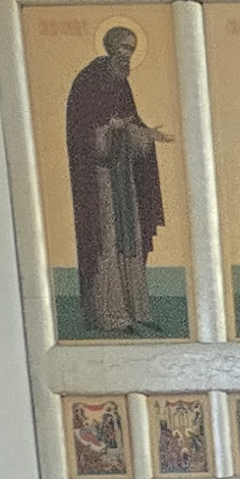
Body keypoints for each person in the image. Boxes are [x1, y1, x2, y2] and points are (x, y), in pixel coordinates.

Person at [63, 24, 172, 336]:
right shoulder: (88, 81)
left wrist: (146, 134)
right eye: (124, 47)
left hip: (124, 175)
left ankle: (136, 310)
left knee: (129, 240)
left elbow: (131, 120)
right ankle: (109, 314)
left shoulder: (121, 83)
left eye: (132, 49)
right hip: (99, 179)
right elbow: (81, 131)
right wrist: (109, 128)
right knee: (107, 241)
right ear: (110, 46)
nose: (128, 55)